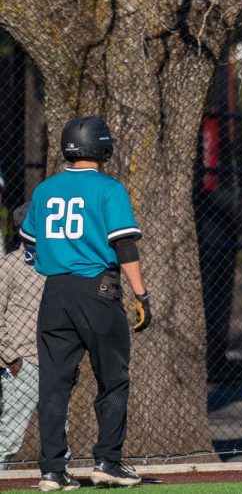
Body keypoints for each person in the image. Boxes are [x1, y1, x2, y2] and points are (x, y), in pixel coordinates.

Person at [19, 117, 150, 490]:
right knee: (112, 380)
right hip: (97, 291)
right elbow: (124, 245)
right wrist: (141, 295)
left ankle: (52, 471)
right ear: (102, 147)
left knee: (54, 383)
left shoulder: (45, 189)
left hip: (55, 292)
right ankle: (108, 462)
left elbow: (28, 242)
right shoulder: (109, 188)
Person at [1, 204, 43, 470]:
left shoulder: (58, 263)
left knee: (58, 437)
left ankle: (57, 480)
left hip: (56, 362)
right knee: (9, 439)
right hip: (22, 363)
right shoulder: (8, 266)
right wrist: (11, 358)